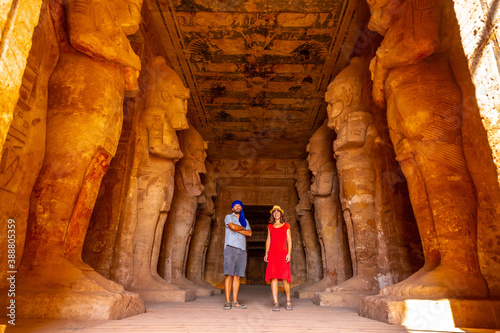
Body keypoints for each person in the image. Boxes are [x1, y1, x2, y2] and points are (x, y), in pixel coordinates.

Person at [223, 200, 252, 310]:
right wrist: (241, 228)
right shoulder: (228, 217)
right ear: (232, 208)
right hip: (230, 247)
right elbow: (232, 227)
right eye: (235, 206)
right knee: (228, 275)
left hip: (242, 249)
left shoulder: (245, 220)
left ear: (242, 208)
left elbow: (249, 233)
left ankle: (235, 301)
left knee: (237, 276)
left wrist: (237, 228)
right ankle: (227, 301)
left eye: (239, 206)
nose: (237, 207)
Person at [264, 205, 293, 311]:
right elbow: (268, 240)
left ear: (281, 214)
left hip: (283, 253)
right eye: (274, 212)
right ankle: (276, 302)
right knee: (274, 278)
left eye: (278, 212)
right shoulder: (270, 226)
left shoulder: (286, 225)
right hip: (272, 254)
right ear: (272, 214)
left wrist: (289, 253)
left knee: (285, 278)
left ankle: (288, 300)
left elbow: (289, 240)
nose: (276, 213)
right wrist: (266, 253)